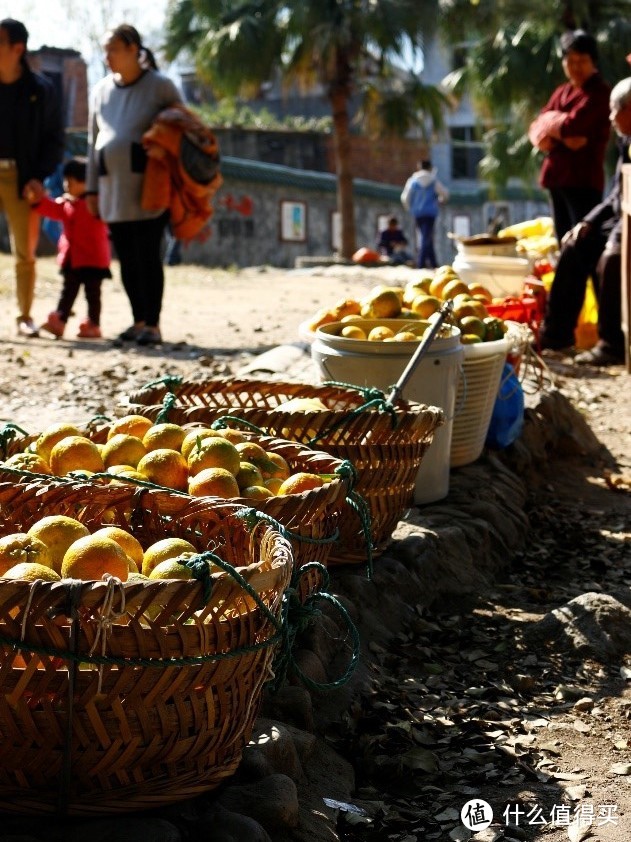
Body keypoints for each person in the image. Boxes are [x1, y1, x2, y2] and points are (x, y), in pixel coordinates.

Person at [86, 23, 182, 346]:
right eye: (105, 50)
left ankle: (153, 324)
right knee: (126, 258)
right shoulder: (100, 91)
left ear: (133, 50)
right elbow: (92, 142)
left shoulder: (161, 87)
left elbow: (184, 129)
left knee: (148, 257)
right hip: (112, 188)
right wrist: (91, 189)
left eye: (113, 49)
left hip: (150, 189)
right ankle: (137, 319)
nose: (107, 56)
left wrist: (161, 147)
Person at [539, 76, 631, 366]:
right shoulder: (625, 142)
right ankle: (556, 336)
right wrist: (588, 222)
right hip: (619, 220)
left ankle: (613, 345)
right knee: (575, 245)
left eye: (616, 110)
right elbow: (617, 194)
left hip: (628, 225)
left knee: (612, 260)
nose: (611, 117)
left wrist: (616, 236)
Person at [0, 18, 64, 338]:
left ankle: (24, 316)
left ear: (17, 48)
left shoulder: (41, 90)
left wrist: (39, 177)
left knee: (24, 251)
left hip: (21, 178)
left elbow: (54, 139)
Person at [528, 30, 611, 243]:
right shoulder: (561, 92)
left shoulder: (599, 92)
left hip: (583, 179)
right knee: (562, 242)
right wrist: (557, 129)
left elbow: (572, 127)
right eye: (570, 60)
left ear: (593, 61)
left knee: (584, 243)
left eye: (582, 60)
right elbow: (537, 128)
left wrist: (553, 128)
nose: (576, 67)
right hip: (556, 177)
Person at [27, 157, 111, 339]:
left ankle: (93, 324)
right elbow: (51, 209)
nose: (66, 186)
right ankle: (60, 321)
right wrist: (37, 201)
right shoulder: (67, 203)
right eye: (66, 181)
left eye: (70, 182)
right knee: (68, 292)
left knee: (93, 294)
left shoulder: (96, 203)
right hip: (72, 259)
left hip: (93, 259)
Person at [400, 159, 449, 269]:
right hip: (430, 213)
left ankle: (430, 263)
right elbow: (445, 194)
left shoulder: (412, 181)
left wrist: (410, 208)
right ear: (430, 167)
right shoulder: (433, 180)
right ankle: (423, 263)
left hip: (417, 213)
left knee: (425, 236)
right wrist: (440, 201)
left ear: (419, 167)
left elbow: (404, 198)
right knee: (426, 237)